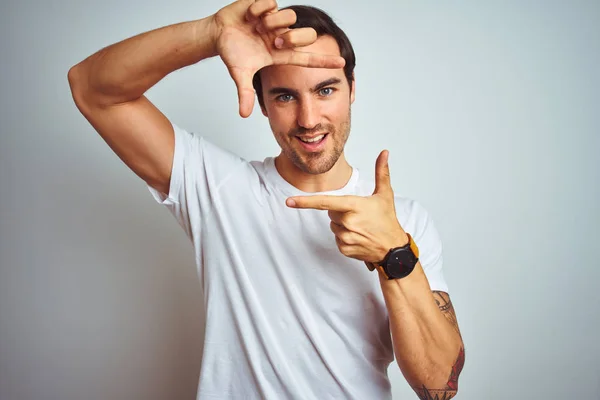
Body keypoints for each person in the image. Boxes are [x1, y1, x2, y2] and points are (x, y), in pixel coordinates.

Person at [67, 0, 465, 398]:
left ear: (352, 90)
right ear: (262, 104)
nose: (308, 119)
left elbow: (438, 387)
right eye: (285, 96)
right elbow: (92, 88)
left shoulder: (406, 221)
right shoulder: (219, 189)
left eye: (325, 90)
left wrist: (394, 254)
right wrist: (208, 34)